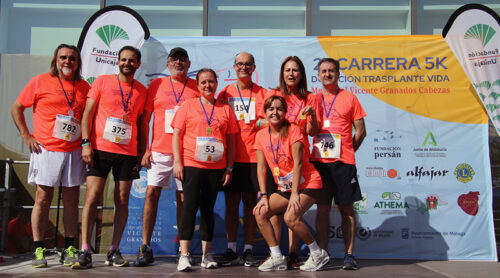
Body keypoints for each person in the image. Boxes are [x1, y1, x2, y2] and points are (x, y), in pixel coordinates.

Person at [11, 44, 90, 268]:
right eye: (63, 57)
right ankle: (38, 249)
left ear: (78, 62)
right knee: (43, 198)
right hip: (46, 149)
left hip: (73, 150)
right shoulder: (40, 81)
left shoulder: (84, 86)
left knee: (72, 201)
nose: (67, 61)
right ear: (56, 59)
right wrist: (26, 136)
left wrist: (86, 145)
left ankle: (71, 247)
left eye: (72, 58)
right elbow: (17, 108)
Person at [72, 46, 148, 269]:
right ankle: (85, 248)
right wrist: (86, 143)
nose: (127, 63)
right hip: (100, 149)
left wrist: (143, 150)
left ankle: (114, 249)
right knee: (93, 196)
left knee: (122, 199)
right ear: (118, 61)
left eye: (132, 60)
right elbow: (87, 113)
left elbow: (142, 124)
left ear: (138, 64)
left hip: (127, 153)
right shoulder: (102, 81)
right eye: (124, 59)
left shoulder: (141, 91)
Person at [134, 47, 199, 267]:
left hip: (187, 152)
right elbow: (145, 119)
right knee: (151, 193)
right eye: (174, 59)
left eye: (183, 59)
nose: (178, 62)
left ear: (189, 65)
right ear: (168, 63)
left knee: (183, 199)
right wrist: (144, 149)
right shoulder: (156, 85)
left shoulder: (196, 87)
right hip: (159, 151)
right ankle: (145, 246)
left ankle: (184, 251)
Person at [172, 68, 238, 272]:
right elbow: (177, 134)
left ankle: (206, 255)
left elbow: (231, 141)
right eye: (203, 82)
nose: (207, 85)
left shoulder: (225, 109)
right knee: (189, 207)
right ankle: (184, 255)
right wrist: (178, 161)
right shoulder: (188, 106)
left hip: (216, 167)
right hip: (192, 164)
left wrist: (229, 167)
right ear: (198, 85)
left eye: (211, 82)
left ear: (216, 83)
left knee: (208, 210)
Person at [253, 95, 329, 272]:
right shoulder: (260, 136)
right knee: (260, 212)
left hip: (308, 182)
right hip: (285, 187)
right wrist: (264, 195)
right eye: (271, 109)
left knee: (290, 218)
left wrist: (295, 193)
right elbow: (261, 168)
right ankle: (277, 257)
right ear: (265, 113)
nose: (275, 112)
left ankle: (318, 254)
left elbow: (298, 163)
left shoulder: (294, 130)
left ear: (285, 112)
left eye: (279, 109)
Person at [266, 56, 320, 268]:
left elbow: (312, 131)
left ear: (301, 74)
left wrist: (312, 116)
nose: (291, 74)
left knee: (292, 209)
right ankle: (275, 255)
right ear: (282, 73)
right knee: (275, 212)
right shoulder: (275, 95)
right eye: (287, 70)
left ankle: (293, 253)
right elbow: (264, 120)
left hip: (298, 158)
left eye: (295, 70)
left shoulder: (310, 98)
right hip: (277, 159)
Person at [311, 58, 366, 270]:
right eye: (323, 71)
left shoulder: (350, 97)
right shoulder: (314, 99)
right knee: (322, 210)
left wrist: (349, 150)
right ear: (319, 75)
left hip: (344, 164)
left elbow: (361, 131)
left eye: (331, 70)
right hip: (320, 163)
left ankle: (349, 255)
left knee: (347, 210)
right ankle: (323, 255)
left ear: (338, 74)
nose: (327, 74)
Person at [216, 52, 267, 267]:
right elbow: (215, 116)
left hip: (254, 157)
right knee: (231, 204)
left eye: (248, 64)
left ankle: (248, 249)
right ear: (234, 67)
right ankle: (230, 249)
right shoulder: (225, 92)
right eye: (240, 64)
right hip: (231, 157)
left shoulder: (263, 93)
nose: (244, 67)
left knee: (249, 205)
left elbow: (272, 118)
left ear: (253, 67)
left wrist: (259, 122)